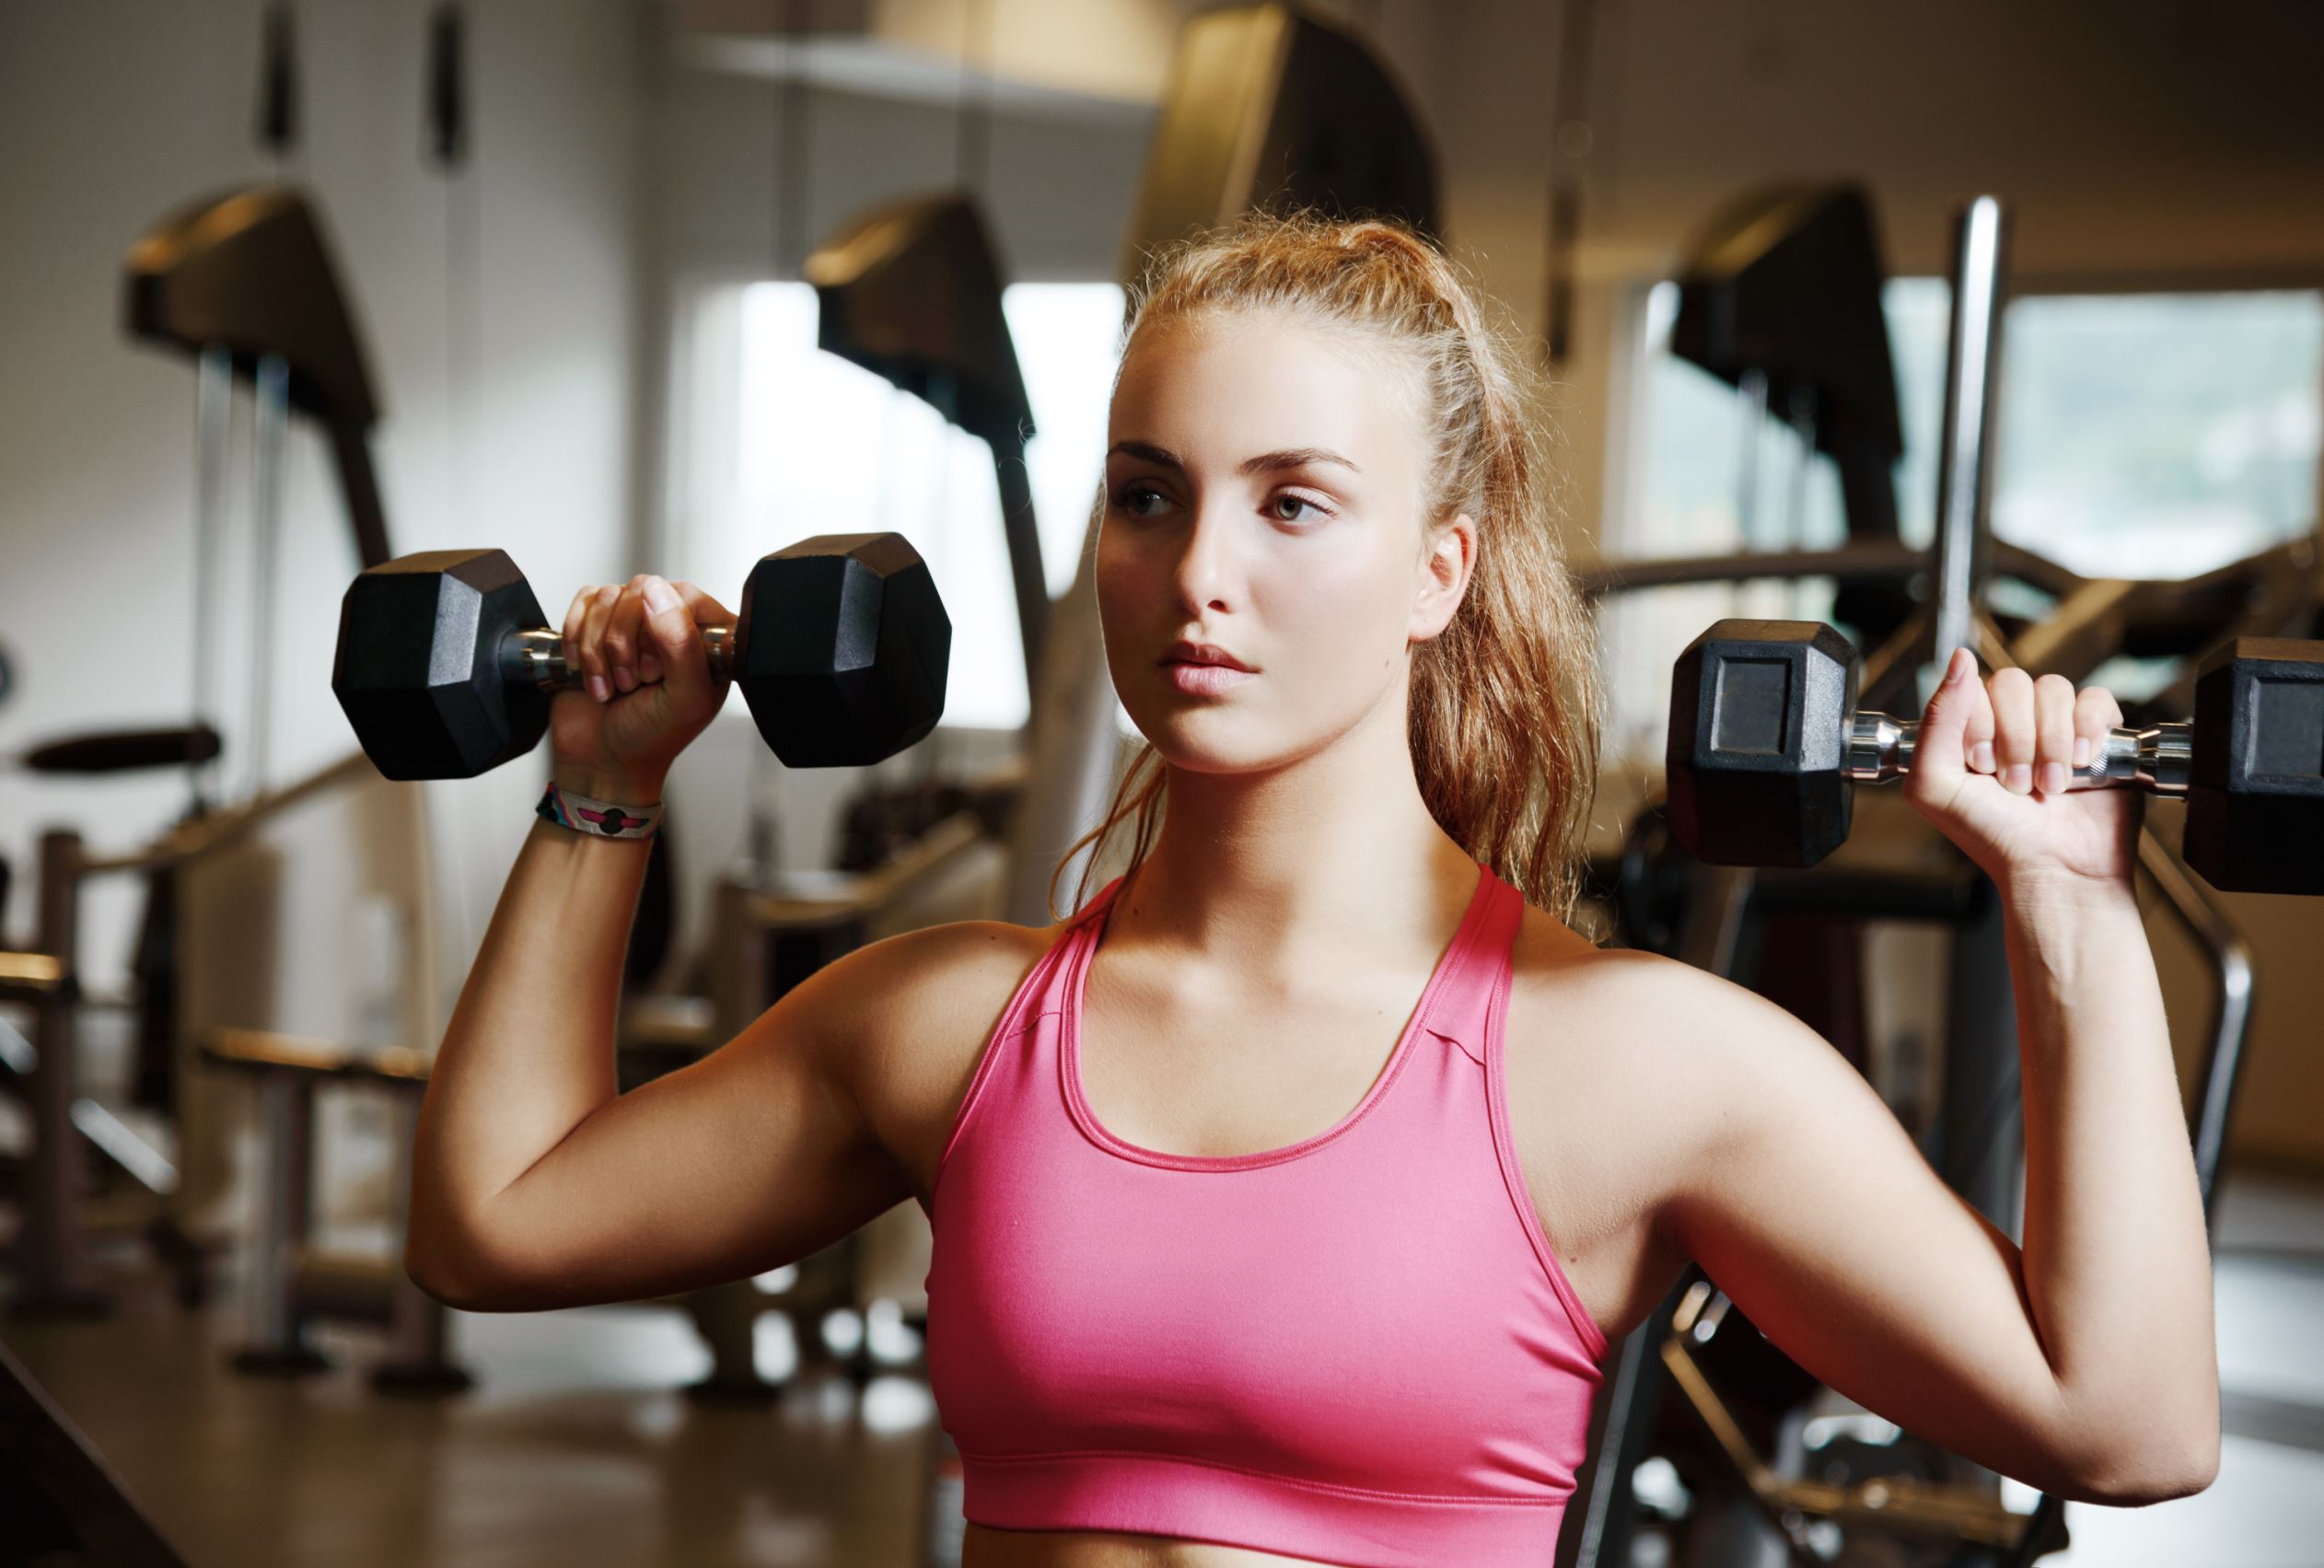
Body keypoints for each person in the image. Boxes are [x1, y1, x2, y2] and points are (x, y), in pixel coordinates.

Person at [404, 214, 2218, 1566]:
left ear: (1438, 568)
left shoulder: (1633, 1066)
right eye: (1145, 495)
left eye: (1290, 505)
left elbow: (2122, 1424)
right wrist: (598, 789)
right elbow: (496, 1223)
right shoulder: (947, 1022)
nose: (1197, 573)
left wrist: (2069, 908)